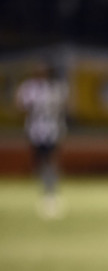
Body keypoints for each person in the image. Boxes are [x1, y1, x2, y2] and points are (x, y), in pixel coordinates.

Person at [15, 61, 69, 219]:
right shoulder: (52, 88)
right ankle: (48, 192)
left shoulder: (47, 88)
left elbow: (19, 106)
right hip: (38, 130)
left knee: (50, 161)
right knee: (42, 162)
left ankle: (51, 193)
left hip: (49, 130)